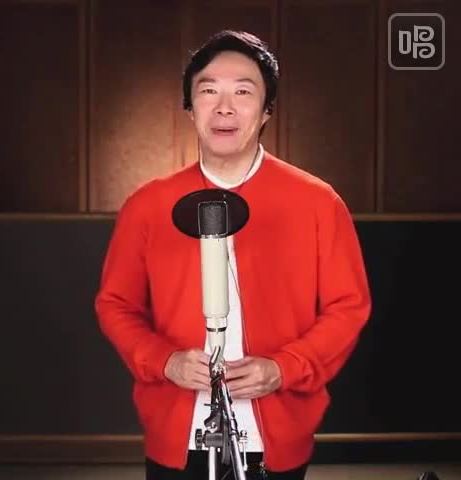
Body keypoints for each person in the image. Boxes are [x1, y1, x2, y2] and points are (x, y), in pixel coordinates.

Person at [94, 30, 371, 480]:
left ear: (266, 110)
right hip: (177, 434)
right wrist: (165, 361)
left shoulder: (318, 202)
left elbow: (348, 307)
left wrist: (283, 369)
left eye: (243, 92)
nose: (224, 107)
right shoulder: (147, 205)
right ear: (190, 107)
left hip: (277, 434)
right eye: (209, 91)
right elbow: (115, 304)